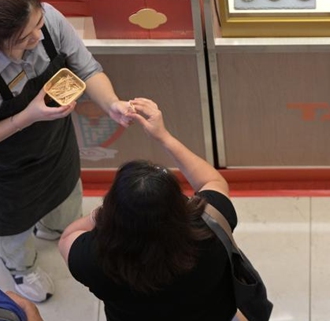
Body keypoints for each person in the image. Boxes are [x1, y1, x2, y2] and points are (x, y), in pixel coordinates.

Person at [0, 0, 140, 303]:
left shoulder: (49, 19)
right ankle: (22, 267)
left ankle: (57, 229)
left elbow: (87, 69)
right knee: (13, 233)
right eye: (24, 38)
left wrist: (113, 104)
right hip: (3, 173)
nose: (37, 36)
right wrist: (27, 116)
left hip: (54, 148)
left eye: (38, 24)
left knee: (66, 202)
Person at [58, 98, 237, 321]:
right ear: (179, 204)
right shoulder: (211, 227)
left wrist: (104, 215)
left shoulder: (95, 259)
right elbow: (213, 181)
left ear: (113, 210)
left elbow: (67, 238)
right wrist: (163, 136)